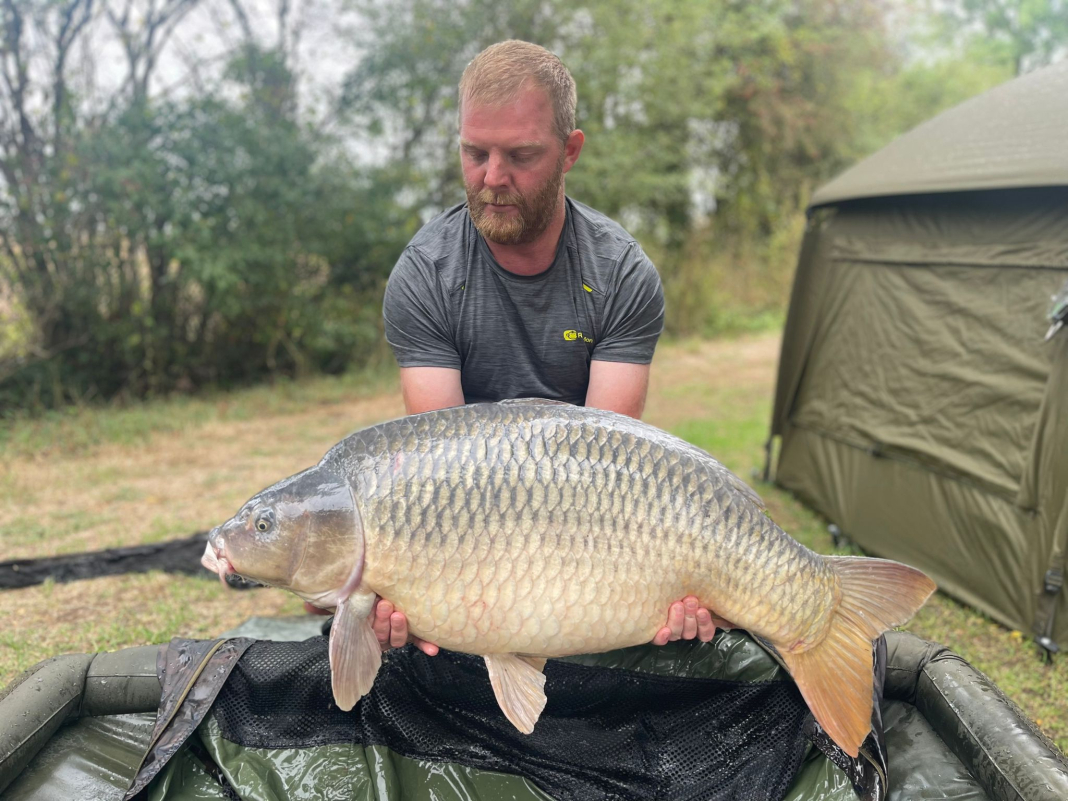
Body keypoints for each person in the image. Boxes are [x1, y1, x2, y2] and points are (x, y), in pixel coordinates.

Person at [363, 40, 726, 656]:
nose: (492, 178)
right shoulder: (425, 275)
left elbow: (610, 473)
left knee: (686, 610)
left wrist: (673, 585)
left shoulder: (620, 272)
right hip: (470, 528)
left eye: (521, 155)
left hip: (590, 526)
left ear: (570, 151)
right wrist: (418, 596)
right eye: (475, 153)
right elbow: (440, 482)